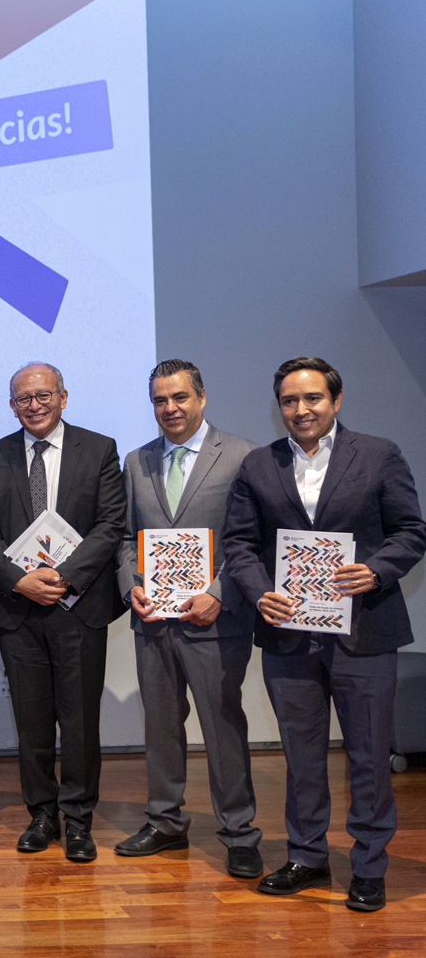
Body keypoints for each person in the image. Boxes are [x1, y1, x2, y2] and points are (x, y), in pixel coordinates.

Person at [222, 357, 426, 912]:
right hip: (288, 636)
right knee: (302, 758)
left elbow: (411, 531)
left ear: (335, 401)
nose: (301, 409)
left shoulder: (379, 454)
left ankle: (369, 867)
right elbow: (239, 543)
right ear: (279, 407)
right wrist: (259, 590)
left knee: (368, 758)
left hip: (365, 633)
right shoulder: (259, 465)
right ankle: (307, 857)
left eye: (312, 398)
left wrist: (376, 570)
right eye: (289, 400)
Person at [114, 360, 263, 878]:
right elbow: (124, 539)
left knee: (223, 728)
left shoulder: (242, 455)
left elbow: (252, 540)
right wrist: (130, 584)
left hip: (215, 622)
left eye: (179, 397)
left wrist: (220, 593)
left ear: (201, 397)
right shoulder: (136, 461)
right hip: (153, 622)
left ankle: (240, 833)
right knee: (160, 726)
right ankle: (165, 822)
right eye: (160, 400)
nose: (170, 408)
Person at [0, 362, 124, 862]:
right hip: (18, 608)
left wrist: (64, 577)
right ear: (11, 406)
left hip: (79, 605)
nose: (34, 405)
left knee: (79, 723)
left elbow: (110, 523)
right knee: (32, 721)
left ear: (63, 396)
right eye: (23, 399)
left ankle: (78, 820)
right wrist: (20, 580)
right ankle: (41, 815)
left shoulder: (98, 449)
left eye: (43, 395)